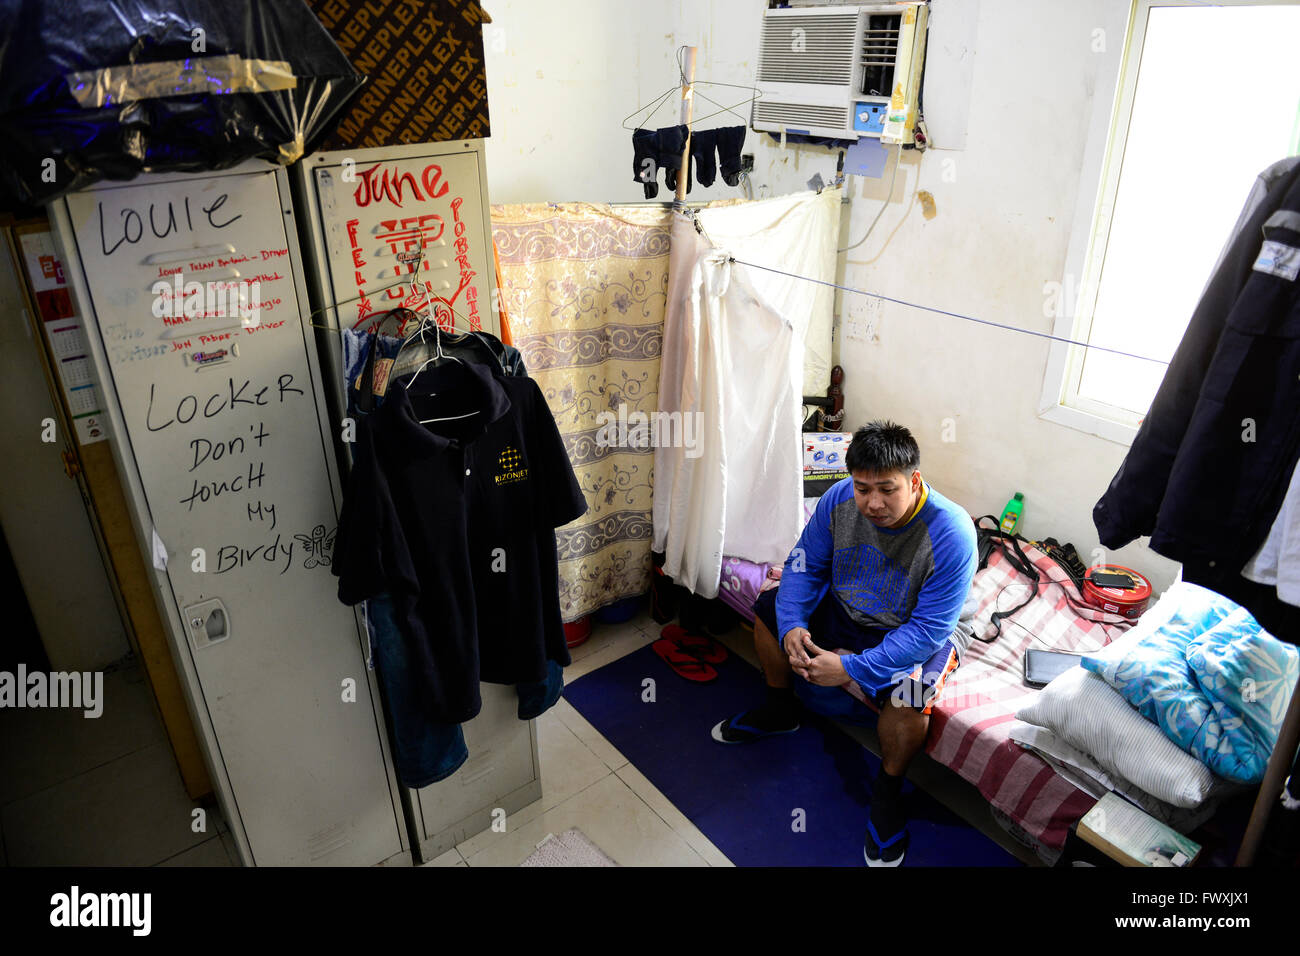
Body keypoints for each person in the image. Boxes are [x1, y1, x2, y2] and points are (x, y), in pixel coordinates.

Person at [711, 421, 977, 866]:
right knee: (771, 607)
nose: (873, 503)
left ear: (913, 480)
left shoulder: (952, 532)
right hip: (847, 604)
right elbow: (802, 563)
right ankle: (780, 711)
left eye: (887, 489)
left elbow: (928, 632)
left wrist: (850, 668)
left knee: (913, 696)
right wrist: (792, 623)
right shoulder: (838, 499)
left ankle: (888, 790)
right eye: (863, 488)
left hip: (910, 628)